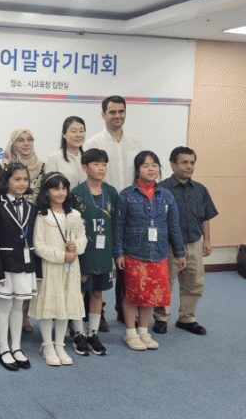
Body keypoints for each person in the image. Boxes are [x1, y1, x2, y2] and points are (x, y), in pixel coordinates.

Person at [114, 151, 186, 351]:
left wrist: (180, 252)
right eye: (145, 165)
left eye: (154, 165)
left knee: (151, 295)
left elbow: (174, 226)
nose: (151, 169)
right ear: (138, 170)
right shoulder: (126, 195)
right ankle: (130, 333)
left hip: (159, 253)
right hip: (133, 252)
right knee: (132, 295)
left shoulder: (167, 195)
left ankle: (144, 331)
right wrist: (118, 253)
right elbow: (119, 227)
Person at [85, 96, 143, 323]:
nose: (117, 116)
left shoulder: (135, 142)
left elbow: (139, 176)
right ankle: (97, 312)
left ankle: (123, 308)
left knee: (126, 260)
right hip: (102, 209)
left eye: (121, 111)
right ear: (103, 115)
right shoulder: (93, 143)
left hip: (130, 210)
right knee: (98, 259)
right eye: (112, 112)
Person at [152, 147, 218, 335]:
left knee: (194, 283)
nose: (189, 166)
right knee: (165, 283)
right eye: (184, 162)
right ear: (173, 165)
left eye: (192, 163)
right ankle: (161, 318)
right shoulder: (161, 189)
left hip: (194, 243)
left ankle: (187, 318)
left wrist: (207, 240)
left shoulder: (200, 189)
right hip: (169, 246)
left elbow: (205, 217)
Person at [29, 173, 87, 366]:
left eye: (64, 188)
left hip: (71, 268)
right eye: (56, 188)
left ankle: (60, 345)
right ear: (47, 192)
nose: (61, 192)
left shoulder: (74, 215)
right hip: (51, 268)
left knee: (66, 306)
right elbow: (38, 245)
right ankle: (47, 345)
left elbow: (82, 238)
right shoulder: (42, 216)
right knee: (50, 306)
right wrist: (61, 255)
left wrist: (76, 246)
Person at [0, 163, 40, 371]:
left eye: (25, 179)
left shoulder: (31, 207)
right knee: (4, 307)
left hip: (25, 264)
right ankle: (3, 348)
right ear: (6, 181)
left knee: (19, 306)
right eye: (17, 179)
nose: (22, 183)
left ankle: (16, 347)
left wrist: (35, 268)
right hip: (5, 265)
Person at [71, 149, 120, 356]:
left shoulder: (111, 193)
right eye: (96, 164)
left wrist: (117, 255)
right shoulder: (76, 193)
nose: (101, 168)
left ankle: (92, 332)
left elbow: (116, 225)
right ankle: (78, 332)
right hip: (83, 252)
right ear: (85, 167)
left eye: (104, 164)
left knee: (98, 292)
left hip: (104, 251)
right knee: (79, 292)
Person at [0, 128, 46, 333]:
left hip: (33, 220)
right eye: (20, 140)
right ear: (13, 143)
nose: (26, 143)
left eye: (29, 139)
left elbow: (44, 195)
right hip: (10, 221)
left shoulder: (42, 166)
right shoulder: (3, 166)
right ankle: (8, 315)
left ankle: (24, 315)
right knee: (12, 271)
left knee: (29, 270)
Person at [46, 116, 87, 188]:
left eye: (81, 131)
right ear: (64, 134)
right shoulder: (54, 159)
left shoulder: (88, 158)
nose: (78, 135)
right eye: (73, 131)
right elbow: (50, 187)